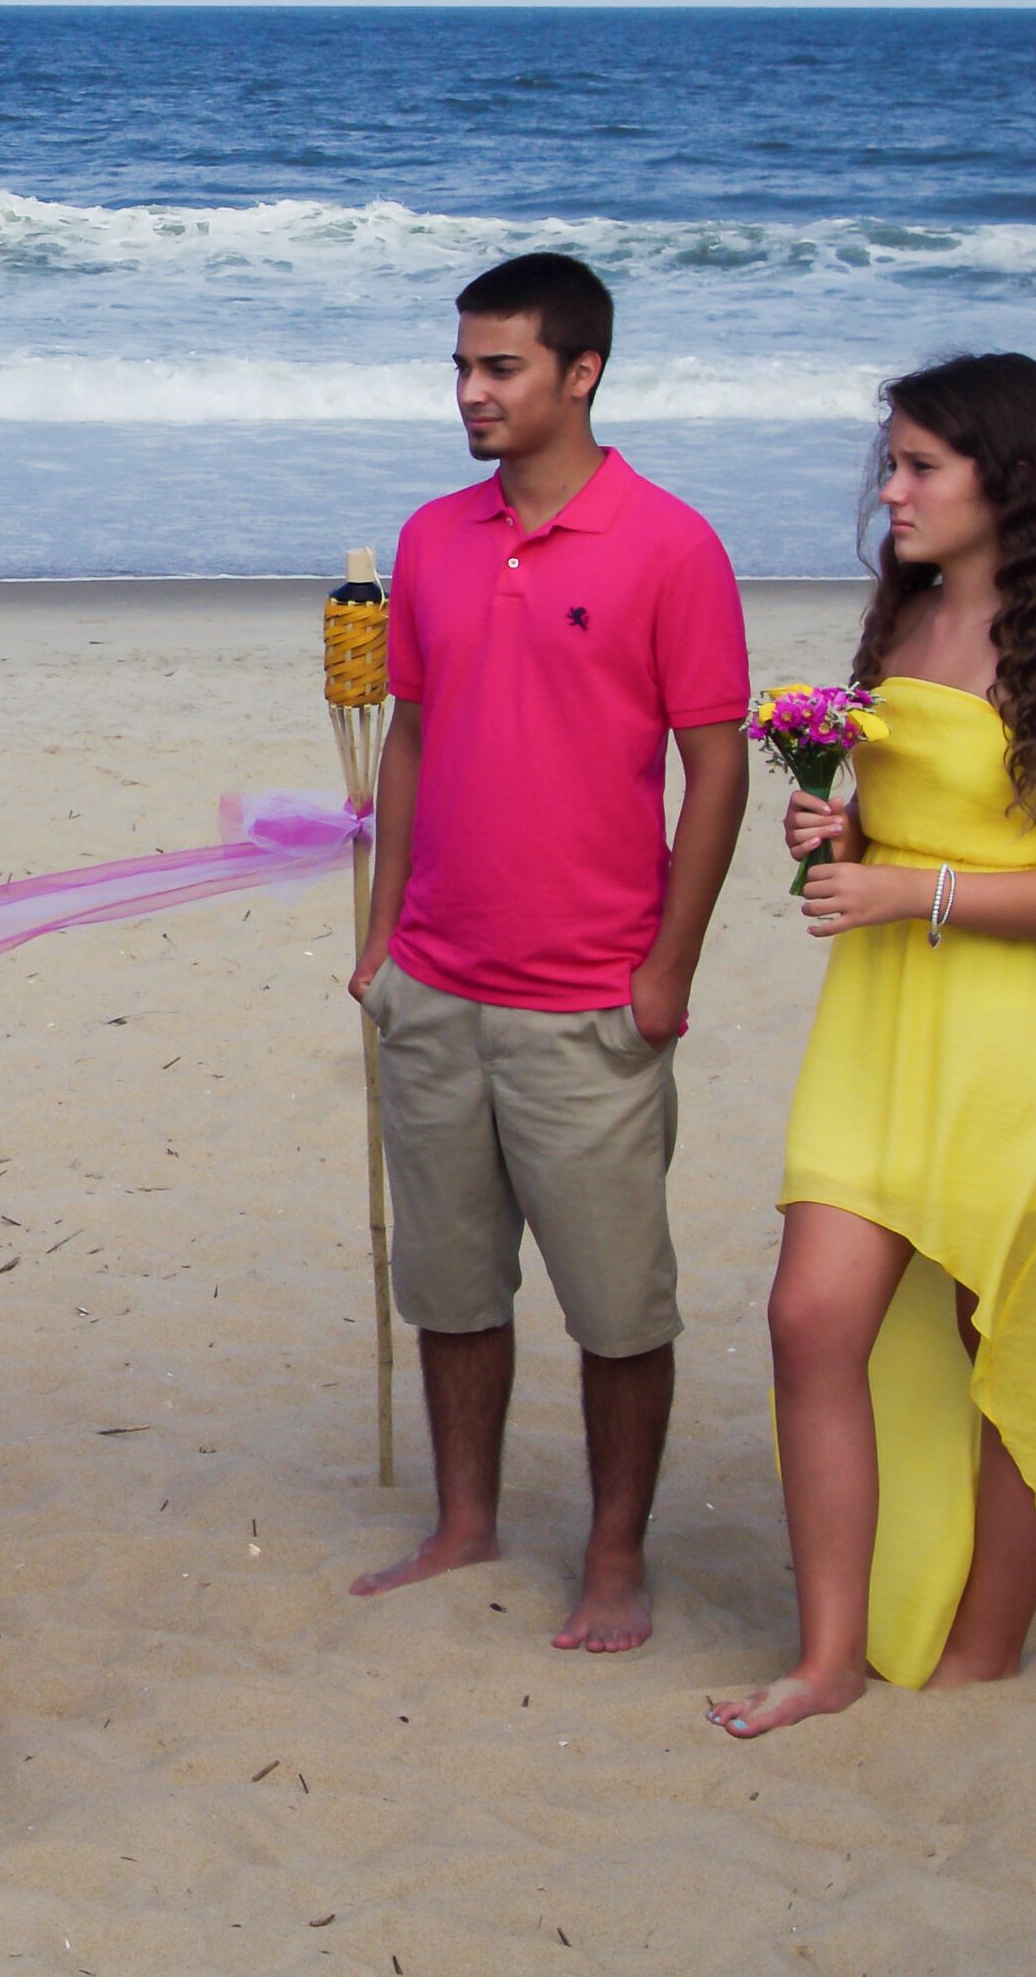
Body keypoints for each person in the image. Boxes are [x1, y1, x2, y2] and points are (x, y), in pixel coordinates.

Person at [710, 355, 1036, 1736]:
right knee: (810, 1317)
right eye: (886, 463)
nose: (886, 490)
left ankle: (979, 1654)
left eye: (917, 467)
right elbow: (907, 816)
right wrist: (841, 834)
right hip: (882, 1022)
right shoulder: (900, 619)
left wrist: (916, 887)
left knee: (993, 1332)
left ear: (1004, 480)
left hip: (1019, 1036)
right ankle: (829, 1655)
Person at [345, 252, 749, 1655]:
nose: (469, 392)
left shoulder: (669, 544)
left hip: (589, 997)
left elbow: (717, 770)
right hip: (435, 982)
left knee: (616, 1304)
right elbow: (407, 735)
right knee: (452, 1286)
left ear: (579, 372)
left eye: (499, 367)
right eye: (460, 365)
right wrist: (383, 935)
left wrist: (667, 970)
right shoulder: (432, 535)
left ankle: (614, 1559)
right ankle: (464, 1522)